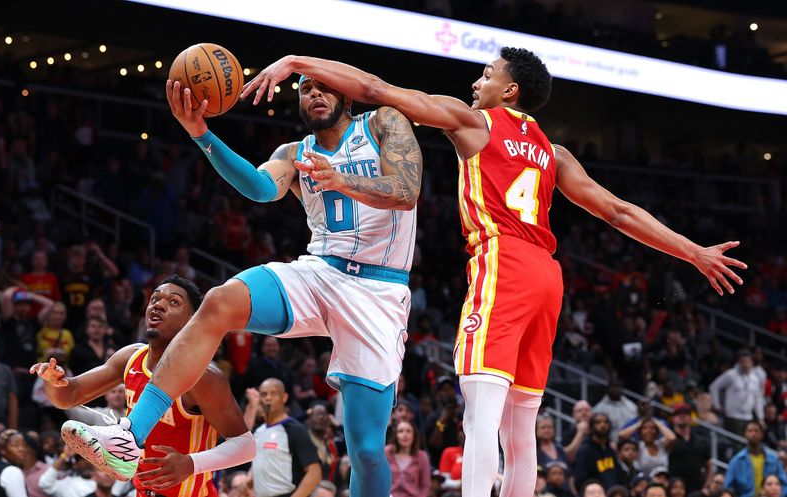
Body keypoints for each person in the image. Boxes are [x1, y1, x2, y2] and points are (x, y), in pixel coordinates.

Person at [241, 48, 746, 497]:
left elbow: (376, 89)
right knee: (520, 428)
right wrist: (693, 252)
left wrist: (298, 64)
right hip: (547, 276)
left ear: (510, 90)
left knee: (480, 417)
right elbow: (618, 212)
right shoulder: (554, 152)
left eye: (485, 75)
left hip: (502, 262)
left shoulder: (475, 123)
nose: (475, 84)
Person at [62, 67, 422, 497]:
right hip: (320, 271)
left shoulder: (382, 122)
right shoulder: (296, 152)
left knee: (364, 449)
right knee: (218, 301)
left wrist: (342, 178)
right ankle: (129, 438)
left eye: (325, 87)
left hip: (379, 291)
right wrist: (201, 133)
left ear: (348, 97)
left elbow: (406, 190)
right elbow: (256, 186)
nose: (315, 94)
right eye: (306, 89)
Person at [30, 275, 256, 495]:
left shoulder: (203, 376)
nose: (158, 305)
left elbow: (246, 446)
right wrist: (53, 381)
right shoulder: (130, 357)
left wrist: (191, 464)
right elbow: (69, 396)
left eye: (174, 302)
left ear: (192, 321)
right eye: (155, 299)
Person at [250, 378, 321, 497]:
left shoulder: (294, 430)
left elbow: (314, 472)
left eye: (273, 394)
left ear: (284, 397)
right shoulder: (259, 431)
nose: (268, 398)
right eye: (264, 394)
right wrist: (248, 481)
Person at [709, 349, 765, 437]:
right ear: (739, 362)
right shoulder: (731, 375)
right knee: (737, 443)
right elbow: (714, 386)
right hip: (733, 416)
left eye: (748, 361)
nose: (746, 364)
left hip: (748, 417)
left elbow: (758, 399)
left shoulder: (755, 378)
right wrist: (717, 405)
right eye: (743, 361)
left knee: (747, 443)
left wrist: (760, 417)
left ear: (752, 362)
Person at [724, 421, 787, 497]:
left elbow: (784, 484)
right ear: (745, 434)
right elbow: (728, 487)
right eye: (750, 431)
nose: (753, 434)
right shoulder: (736, 461)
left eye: (756, 431)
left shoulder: (774, 459)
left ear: (762, 434)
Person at [668, 402, 713, 493]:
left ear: (691, 418)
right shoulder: (669, 440)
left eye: (685, 413)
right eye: (678, 414)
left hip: (696, 490)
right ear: (673, 418)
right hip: (673, 491)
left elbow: (709, 465)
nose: (682, 416)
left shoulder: (701, 441)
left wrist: (707, 486)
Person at [385, 420, 431, 497]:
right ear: (396, 435)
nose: (405, 435)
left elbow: (425, 486)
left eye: (408, 431)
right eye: (401, 431)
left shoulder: (422, 456)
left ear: (414, 435)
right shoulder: (387, 452)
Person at [0, 428, 29, 497]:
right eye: (16, 445)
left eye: (24, 445)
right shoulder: (12, 471)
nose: (22, 449)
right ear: (2, 449)